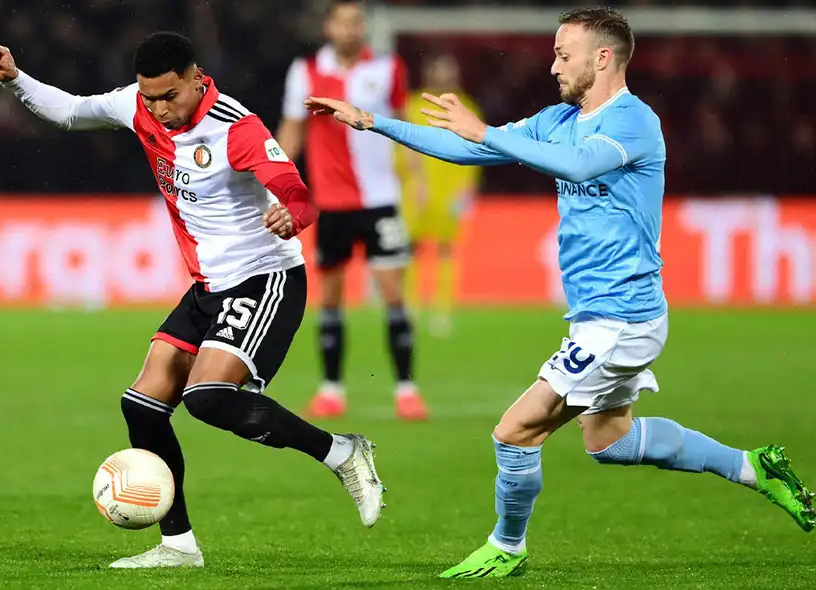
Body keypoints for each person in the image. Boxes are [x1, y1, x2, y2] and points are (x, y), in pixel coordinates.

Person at [305, 6, 814, 579]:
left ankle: (507, 546)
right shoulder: (557, 119)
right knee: (610, 439)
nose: (552, 67)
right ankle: (752, 467)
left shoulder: (634, 122)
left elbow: (578, 162)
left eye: (562, 55)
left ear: (602, 58)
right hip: (600, 318)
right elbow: (469, 149)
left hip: (622, 319)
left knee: (514, 430)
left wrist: (490, 133)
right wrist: (373, 122)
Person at [0, 31, 385, 570]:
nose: (160, 108)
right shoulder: (138, 105)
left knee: (207, 398)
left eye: (170, 96)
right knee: (140, 406)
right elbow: (69, 111)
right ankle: (179, 546)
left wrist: (290, 215)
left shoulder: (236, 127)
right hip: (209, 286)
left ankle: (342, 452)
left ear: (196, 78)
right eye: (150, 96)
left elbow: (296, 191)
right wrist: (17, 80)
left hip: (265, 278)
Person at [277, 0, 428, 421]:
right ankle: (331, 390)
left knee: (394, 295)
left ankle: (406, 390)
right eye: (343, 21)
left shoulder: (387, 68)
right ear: (328, 26)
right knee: (330, 298)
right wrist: (272, 179)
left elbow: (403, 124)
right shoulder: (305, 72)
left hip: (382, 199)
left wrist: (416, 178)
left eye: (357, 21)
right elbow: (293, 128)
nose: (351, 28)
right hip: (332, 205)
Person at [396, 54, 482, 338]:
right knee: (413, 249)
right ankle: (411, 306)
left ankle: (443, 310)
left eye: (449, 74)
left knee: (447, 249)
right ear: (429, 77)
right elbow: (403, 146)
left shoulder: (466, 108)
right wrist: (412, 180)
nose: (444, 79)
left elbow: (477, 149)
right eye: (439, 74)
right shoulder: (413, 106)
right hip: (418, 191)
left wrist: (467, 190)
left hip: (450, 192)